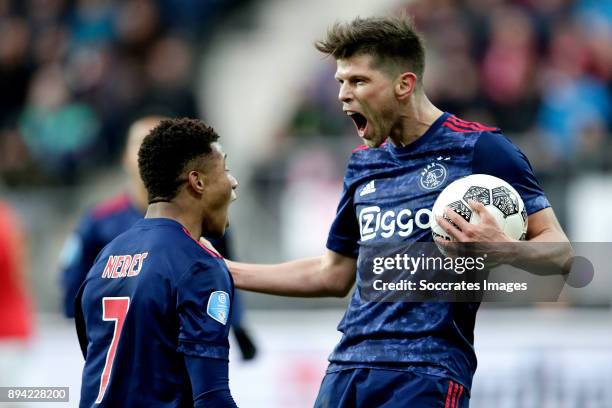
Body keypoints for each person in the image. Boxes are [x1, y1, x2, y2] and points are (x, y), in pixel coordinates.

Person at [224, 16, 571, 407]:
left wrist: (504, 249)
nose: (342, 94)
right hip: (347, 371)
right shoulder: (363, 164)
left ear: (404, 85)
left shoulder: (481, 150)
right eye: (340, 82)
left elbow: (561, 253)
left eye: (357, 81)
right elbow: (334, 274)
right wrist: (227, 271)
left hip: (425, 374)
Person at [60, 116, 256, 359]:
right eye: (140, 143)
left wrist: (237, 323)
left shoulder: (207, 218)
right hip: (125, 351)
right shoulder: (100, 221)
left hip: (193, 346)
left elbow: (226, 271)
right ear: (125, 157)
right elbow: (73, 280)